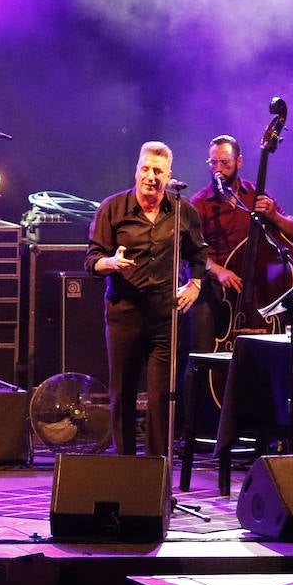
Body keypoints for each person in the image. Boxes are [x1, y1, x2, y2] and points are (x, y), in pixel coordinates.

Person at [86, 141, 208, 456]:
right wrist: (110, 263)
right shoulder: (112, 209)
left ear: (169, 176)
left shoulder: (184, 210)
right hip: (124, 313)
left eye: (158, 171)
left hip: (164, 318)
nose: (150, 176)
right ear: (136, 170)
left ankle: (156, 473)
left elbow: (198, 252)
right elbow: (91, 260)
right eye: (145, 169)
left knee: (161, 397)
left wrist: (194, 284)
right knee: (123, 395)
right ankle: (126, 469)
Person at [189, 134, 293, 351]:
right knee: (202, 340)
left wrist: (274, 216)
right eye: (213, 162)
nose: (218, 169)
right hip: (217, 286)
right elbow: (192, 253)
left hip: (254, 286)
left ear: (239, 162)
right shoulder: (200, 202)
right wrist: (219, 271)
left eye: (225, 162)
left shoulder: (256, 195)